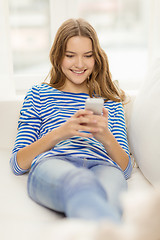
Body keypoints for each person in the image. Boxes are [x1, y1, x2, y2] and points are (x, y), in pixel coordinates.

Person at [10, 18, 132, 223]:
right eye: (70, 56)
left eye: (87, 56)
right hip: (54, 163)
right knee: (81, 183)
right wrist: (61, 132)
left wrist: (105, 137)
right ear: (57, 57)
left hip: (103, 166)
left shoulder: (109, 99)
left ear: (96, 58)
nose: (79, 64)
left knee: (110, 200)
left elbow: (126, 169)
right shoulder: (38, 94)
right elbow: (18, 163)